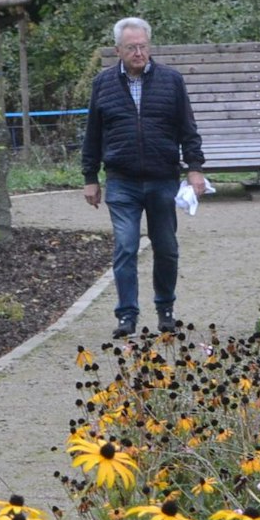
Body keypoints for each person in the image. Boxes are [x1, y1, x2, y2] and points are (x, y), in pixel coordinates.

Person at [80, 17, 212, 337]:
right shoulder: (103, 83)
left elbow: (187, 129)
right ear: (118, 50)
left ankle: (165, 308)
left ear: (149, 46)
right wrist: (90, 177)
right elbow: (93, 134)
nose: (139, 52)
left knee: (166, 247)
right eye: (131, 47)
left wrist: (194, 168)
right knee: (125, 246)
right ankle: (127, 315)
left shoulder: (171, 81)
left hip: (162, 178)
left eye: (143, 46)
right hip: (121, 180)